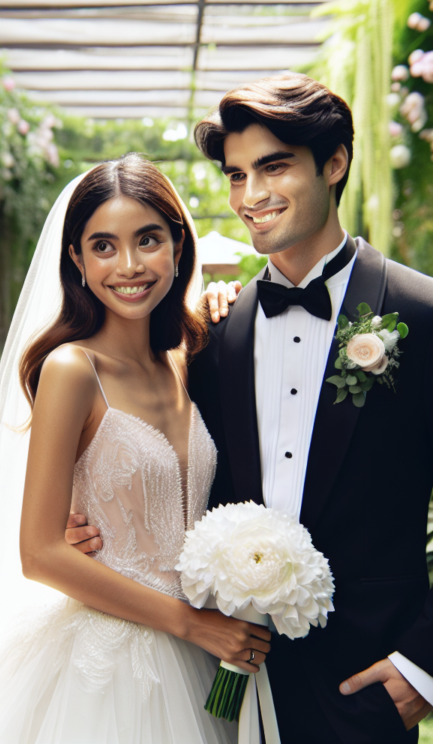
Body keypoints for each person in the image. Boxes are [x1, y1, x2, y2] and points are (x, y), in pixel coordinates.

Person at [72, 73, 433, 744]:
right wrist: (92, 531)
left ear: (334, 163)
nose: (252, 197)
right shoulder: (212, 333)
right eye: (237, 176)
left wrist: (423, 666)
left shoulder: (421, 314)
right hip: (221, 681)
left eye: (273, 167)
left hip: (366, 685)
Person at [0, 154, 272, 744]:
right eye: (103, 246)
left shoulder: (187, 356)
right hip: (112, 658)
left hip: (206, 647)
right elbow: (41, 552)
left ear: (178, 243)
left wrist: (224, 299)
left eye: (148, 239)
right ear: (76, 258)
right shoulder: (73, 369)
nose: (128, 265)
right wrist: (192, 625)